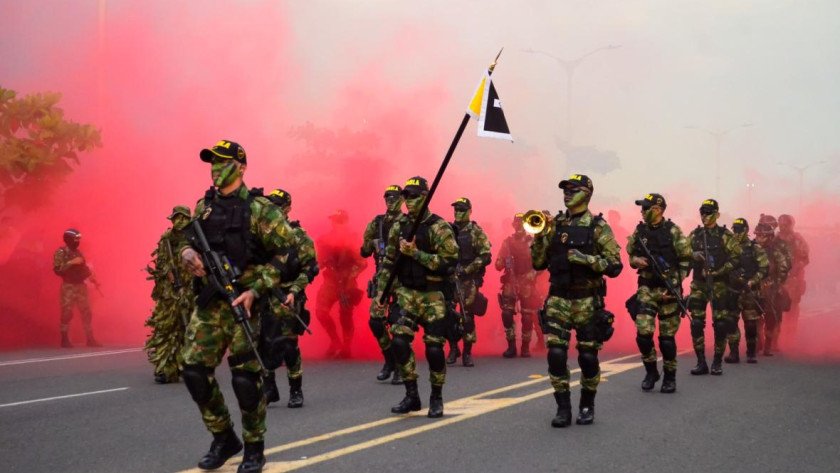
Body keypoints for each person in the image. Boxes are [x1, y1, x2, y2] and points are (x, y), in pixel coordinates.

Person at [178, 140, 296, 473]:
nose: (215, 167)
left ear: (241, 167)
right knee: (193, 370)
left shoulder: (261, 209)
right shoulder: (205, 205)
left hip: (247, 302)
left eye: (222, 162)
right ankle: (224, 437)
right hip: (212, 302)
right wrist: (187, 255)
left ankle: (254, 448)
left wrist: (256, 290)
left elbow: (287, 255)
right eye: (212, 162)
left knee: (245, 379)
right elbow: (187, 241)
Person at [531, 174, 623, 428]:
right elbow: (538, 263)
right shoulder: (555, 225)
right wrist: (539, 236)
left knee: (588, 357)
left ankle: (586, 405)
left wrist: (586, 259)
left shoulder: (598, 227)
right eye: (565, 189)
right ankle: (563, 408)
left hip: (586, 301)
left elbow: (615, 266)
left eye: (574, 189)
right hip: (559, 298)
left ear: (587, 193)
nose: (567, 193)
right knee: (556, 354)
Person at [374, 176, 459, 418]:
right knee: (399, 342)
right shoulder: (399, 226)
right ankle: (412, 394)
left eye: (413, 196)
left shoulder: (438, 227)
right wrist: (381, 293)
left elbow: (448, 263)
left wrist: (417, 254)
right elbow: (389, 262)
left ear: (425, 197)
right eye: (406, 196)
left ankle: (436, 396)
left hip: (432, 295)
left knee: (433, 349)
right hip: (407, 293)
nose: (407, 200)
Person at [626, 194, 691, 393]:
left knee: (666, 338)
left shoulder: (673, 231)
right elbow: (630, 254)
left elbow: (686, 261)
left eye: (646, 208)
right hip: (646, 287)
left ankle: (669, 377)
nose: (642, 212)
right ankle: (651, 370)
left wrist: (674, 283)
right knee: (643, 333)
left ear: (657, 209)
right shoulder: (640, 231)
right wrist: (636, 260)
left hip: (669, 290)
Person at [260, 188, 319, 408]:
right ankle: (269, 388)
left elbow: (310, 268)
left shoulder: (299, 236)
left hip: (288, 296)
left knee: (288, 345)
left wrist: (294, 291)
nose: (273, 209)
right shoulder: (261, 235)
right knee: (263, 343)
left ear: (287, 209)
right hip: (265, 295)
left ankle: (296, 390)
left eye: (277, 205)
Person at [686, 199, 741, 376]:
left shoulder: (726, 235)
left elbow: (736, 259)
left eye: (708, 212)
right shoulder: (695, 235)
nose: (704, 216)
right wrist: (693, 255)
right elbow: (682, 254)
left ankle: (717, 362)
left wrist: (718, 271)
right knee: (696, 323)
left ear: (717, 214)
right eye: (702, 212)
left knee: (720, 324)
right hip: (699, 284)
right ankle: (701, 362)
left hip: (719, 285)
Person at [360, 185, 408, 383]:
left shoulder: (407, 223)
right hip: (382, 278)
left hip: (403, 280)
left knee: (398, 324)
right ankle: (389, 359)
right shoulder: (378, 222)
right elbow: (363, 250)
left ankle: (400, 367)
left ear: (402, 200)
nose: (390, 200)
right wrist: (372, 244)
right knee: (375, 321)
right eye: (387, 196)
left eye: (394, 196)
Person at [144, 206, 194, 383]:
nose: (179, 222)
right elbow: (161, 264)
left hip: (190, 291)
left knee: (188, 329)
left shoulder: (195, 238)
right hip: (170, 294)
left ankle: (187, 366)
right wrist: (169, 274)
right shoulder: (166, 239)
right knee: (166, 330)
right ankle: (164, 369)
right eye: (176, 218)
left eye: (183, 218)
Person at [445, 197, 491, 367]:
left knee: (467, 317)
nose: (458, 213)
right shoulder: (447, 230)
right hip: (450, 279)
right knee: (447, 315)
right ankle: (453, 348)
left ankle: (467, 352)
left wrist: (468, 269)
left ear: (469, 211)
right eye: (456, 209)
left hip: (468, 279)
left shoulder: (476, 232)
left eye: (461, 209)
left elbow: (485, 256)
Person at [315, 210, 367, 358]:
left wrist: (351, 275)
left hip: (347, 282)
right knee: (321, 312)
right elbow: (319, 262)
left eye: (339, 220)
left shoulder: (353, 239)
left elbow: (363, 262)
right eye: (334, 220)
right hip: (331, 281)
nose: (335, 223)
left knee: (346, 315)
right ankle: (335, 341)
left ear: (345, 222)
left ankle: (346, 347)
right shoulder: (325, 240)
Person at [495, 214, 542, 358]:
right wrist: (502, 262)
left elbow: (541, 264)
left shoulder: (532, 243)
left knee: (528, 316)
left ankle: (525, 347)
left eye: (522, 224)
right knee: (507, 314)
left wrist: (532, 274)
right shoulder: (507, 243)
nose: (519, 226)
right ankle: (511, 346)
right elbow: (498, 263)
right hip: (511, 281)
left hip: (527, 282)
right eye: (517, 224)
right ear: (513, 225)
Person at [725, 218, 769, 364]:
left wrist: (752, 281)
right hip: (732, 290)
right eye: (734, 229)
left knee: (750, 324)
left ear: (745, 231)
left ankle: (751, 353)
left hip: (749, 291)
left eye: (739, 230)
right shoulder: (728, 247)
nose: (736, 233)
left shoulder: (754, 248)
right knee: (731, 322)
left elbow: (764, 268)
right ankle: (734, 353)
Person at [53, 228, 101, 348]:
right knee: (67, 313)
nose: (78, 241)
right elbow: (57, 270)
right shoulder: (61, 252)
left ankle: (90, 339)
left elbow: (84, 268)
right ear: (69, 239)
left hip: (80, 286)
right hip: (68, 286)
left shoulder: (79, 252)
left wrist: (92, 279)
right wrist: (71, 262)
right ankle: (64, 339)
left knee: (86, 312)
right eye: (75, 239)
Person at [754, 222, 791, 355]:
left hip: (771, 289)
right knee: (754, 316)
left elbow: (784, 268)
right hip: (754, 287)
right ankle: (758, 340)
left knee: (771, 317)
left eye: (762, 236)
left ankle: (768, 345)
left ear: (769, 237)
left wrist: (777, 284)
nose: (759, 238)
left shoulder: (775, 252)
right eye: (757, 235)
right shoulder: (751, 249)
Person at [777, 214, 809, 337]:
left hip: (793, 278)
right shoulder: (775, 239)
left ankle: (790, 333)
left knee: (792, 307)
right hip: (778, 278)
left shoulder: (797, 239)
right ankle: (775, 335)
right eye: (781, 225)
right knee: (775, 307)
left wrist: (796, 267)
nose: (783, 227)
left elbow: (805, 259)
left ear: (791, 225)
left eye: (785, 225)